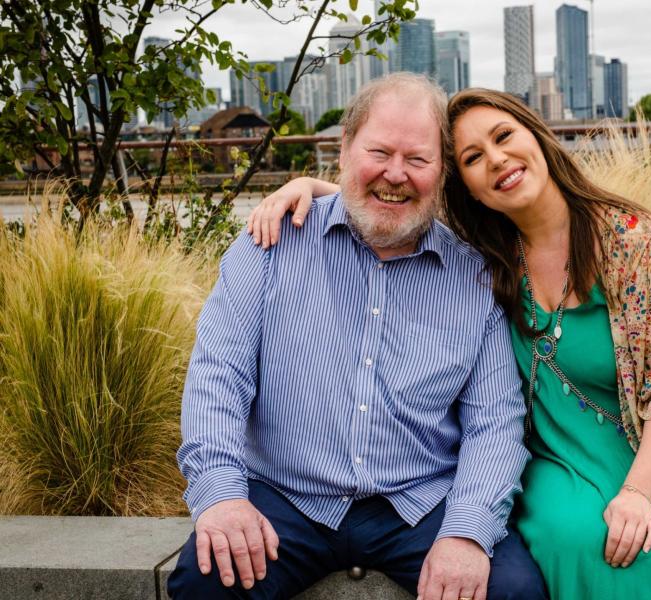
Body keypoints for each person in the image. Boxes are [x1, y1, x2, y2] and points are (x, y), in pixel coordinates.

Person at [249, 89, 651, 599]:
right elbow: (393, 202)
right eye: (474, 158)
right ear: (467, 186)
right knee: (571, 537)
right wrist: (311, 186)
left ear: (537, 134)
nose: (498, 160)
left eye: (505, 136)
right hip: (554, 458)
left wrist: (639, 494)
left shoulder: (635, 242)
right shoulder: (486, 255)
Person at [168, 74, 547, 600]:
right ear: (345, 150)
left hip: (419, 502)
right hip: (285, 495)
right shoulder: (269, 244)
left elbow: (495, 422)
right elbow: (218, 377)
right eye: (379, 152)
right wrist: (221, 496)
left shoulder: (475, 277)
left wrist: (466, 530)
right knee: (206, 583)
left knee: (513, 591)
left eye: (417, 159)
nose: (396, 174)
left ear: (441, 172)